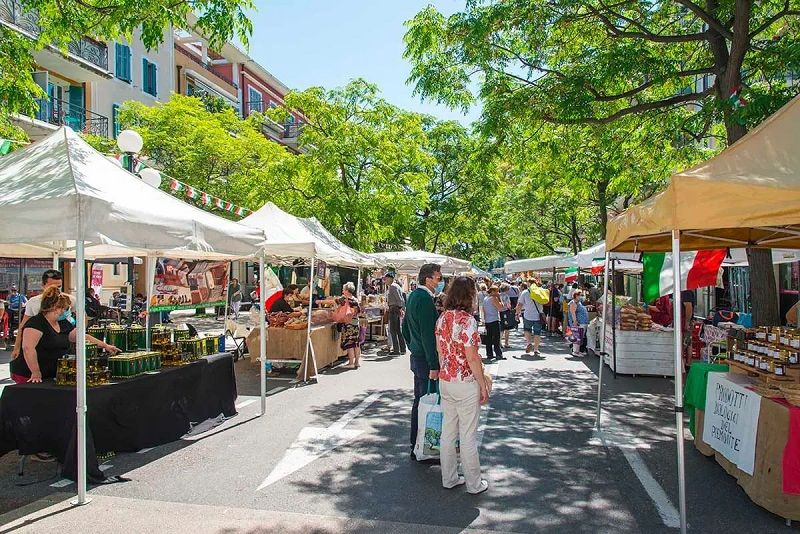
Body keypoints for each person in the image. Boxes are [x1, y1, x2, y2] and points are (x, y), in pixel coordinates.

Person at [435, 276, 490, 494]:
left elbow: (440, 351)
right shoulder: (468, 321)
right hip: (465, 381)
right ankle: (474, 484)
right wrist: (483, 385)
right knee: (467, 435)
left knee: (448, 431)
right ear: (470, 296)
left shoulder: (442, 318)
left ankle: (449, 478)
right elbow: (472, 357)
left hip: (446, 379)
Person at [11, 287, 120, 384]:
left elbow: (81, 337)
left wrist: (105, 346)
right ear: (55, 308)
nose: (68, 311)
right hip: (28, 374)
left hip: (51, 375)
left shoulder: (63, 323)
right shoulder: (36, 323)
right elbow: (28, 349)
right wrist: (35, 372)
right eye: (66, 308)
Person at [401, 263, 442, 460]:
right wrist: (433, 363)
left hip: (417, 355)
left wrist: (412, 345)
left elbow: (405, 329)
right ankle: (421, 445)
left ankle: (417, 444)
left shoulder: (413, 296)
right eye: (438, 277)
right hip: (425, 358)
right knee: (426, 401)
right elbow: (428, 334)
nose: (440, 281)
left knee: (420, 401)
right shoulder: (425, 299)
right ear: (428, 278)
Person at [12, 270, 75, 360]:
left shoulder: (70, 300)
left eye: (59, 287)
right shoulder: (33, 302)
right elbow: (23, 325)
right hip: (41, 347)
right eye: (52, 287)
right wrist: (17, 347)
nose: (56, 290)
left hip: (64, 346)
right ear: (43, 285)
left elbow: (82, 317)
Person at [339, 282, 364, 369]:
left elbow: (334, 302)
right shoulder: (355, 299)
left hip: (349, 323)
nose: (342, 291)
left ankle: (350, 363)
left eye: (343, 289)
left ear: (347, 290)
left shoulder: (345, 299)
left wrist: (318, 301)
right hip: (356, 323)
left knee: (350, 344)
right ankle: (357, 362)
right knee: (356, 343)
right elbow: (359, 311)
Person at [516, 282, 545, 355]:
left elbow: (520, 304)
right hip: (538, 316)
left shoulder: (525, 292)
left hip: (528, 315)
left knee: (527, 330)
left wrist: (517, 313)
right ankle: (536, 349)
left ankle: (529, 343)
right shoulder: (541, 291)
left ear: (529, 284)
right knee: (537, 333)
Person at [384, 272, 407, 355]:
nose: (385, 280)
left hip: (394, 310)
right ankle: (402, 349)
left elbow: (400, 299)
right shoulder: (395, 286)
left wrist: (400, 308)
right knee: (397, 330)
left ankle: (396, 350)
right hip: (396, 309)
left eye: (386, 279)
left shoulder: (393, 287)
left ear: (390, 278)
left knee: (393, 330)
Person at [482, 286, 504, 360]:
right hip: (494, 320)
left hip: (488, 320)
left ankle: (489, 354)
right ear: (493, 291)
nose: (498, 293)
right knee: (496, 338)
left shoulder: (485, 299)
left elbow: (484, 310)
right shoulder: (493, 298)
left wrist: (484, 320)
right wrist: (500, 299)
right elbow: (500, 308)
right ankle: (498, 354)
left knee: (489, 338)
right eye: (496, 291)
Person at [568, 289, 590, 356]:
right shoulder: (573, 303)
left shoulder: (577, 302)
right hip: (579, 322)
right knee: (577, 337)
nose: (582, 297)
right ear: (576, 295)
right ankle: (575, 352)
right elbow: (573, 313)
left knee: (579, 337)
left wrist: (586, 307)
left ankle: (577, 351)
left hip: (583, 322)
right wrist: (575, 322)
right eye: (581, 295)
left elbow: (579, 309)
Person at [499, 283, 514, 349]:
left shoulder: (498, 295)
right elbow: (508, 305)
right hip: (506, 312)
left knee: (501, 328)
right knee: (507, 329)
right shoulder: (506, 296)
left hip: (499, 312)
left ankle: (499, 342)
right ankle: (506, 343)